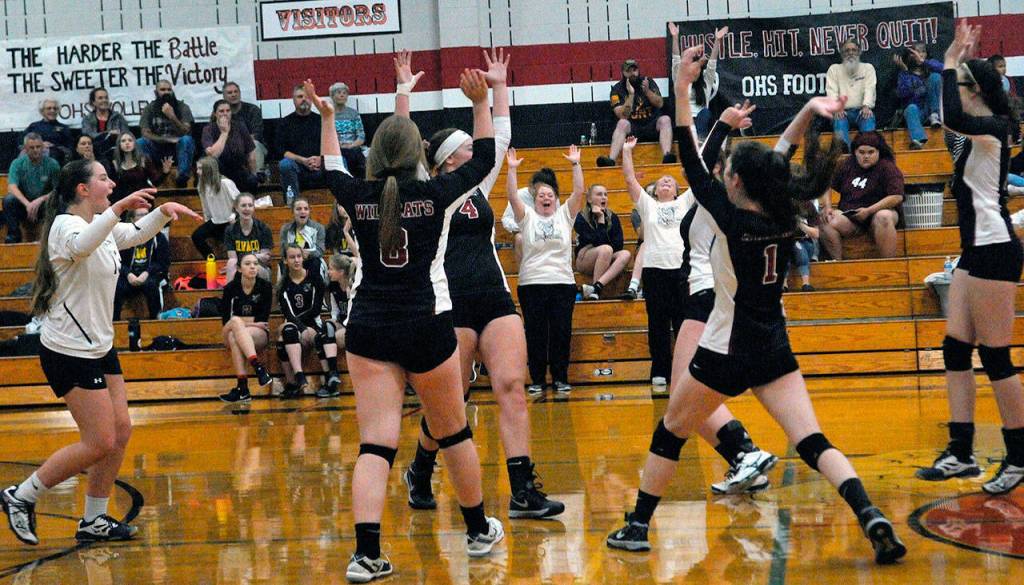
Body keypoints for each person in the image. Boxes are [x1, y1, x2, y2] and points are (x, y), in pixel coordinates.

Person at [606, 44, 907, 566]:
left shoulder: (729, 217)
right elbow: (779, 155)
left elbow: (688, 151)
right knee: (812, 441)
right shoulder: (782, 210)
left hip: (724, 347)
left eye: (728, 171)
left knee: (671, 431)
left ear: (735, 181)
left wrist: (682, 86)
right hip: (772, 344)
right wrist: (809, 109)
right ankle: (868, 512)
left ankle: (636, 526)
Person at [308, 67, 505, 580]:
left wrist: (327, 119)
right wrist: (480, 103)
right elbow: (485, 158)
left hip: (368, 328)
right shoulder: (438, 195)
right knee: (454, 432)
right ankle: (478, 530)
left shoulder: (358, 196)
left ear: (374, 155)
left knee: (376, 445)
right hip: (426, 325)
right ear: (420, 154)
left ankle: (365, 555)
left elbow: (332, 168)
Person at [399, 48, 565, 519]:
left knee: (512, 384)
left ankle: (522, 490)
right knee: (450, 404)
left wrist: (498, 86)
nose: (477, 150)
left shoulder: (477, 184)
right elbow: (405, 147)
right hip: (450, 303)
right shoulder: (429, 189)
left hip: (494, 296)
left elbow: (501, 137)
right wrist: (404, 92)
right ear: (449, 158)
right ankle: (421, 468)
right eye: (468, 148)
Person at [1, 159, 197, 547]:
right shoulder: (65, 227)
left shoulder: (101, 225)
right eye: (103, 178)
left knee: (120, 430)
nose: (111, 184)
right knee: (99, 441)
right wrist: (119, 207)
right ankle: (21, 496)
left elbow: (132, 234)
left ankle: (93, 519)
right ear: (83, 189)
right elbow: (83, 245)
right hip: (69, 350)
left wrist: (162, 213)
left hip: (99, 346)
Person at [916, 23, 1024, 496]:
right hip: (974, 251)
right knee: (956, 348)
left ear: (974, 91)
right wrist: (953, 61)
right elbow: (951, 121)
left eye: (961, 84)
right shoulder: (973, 135)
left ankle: (1019, 457)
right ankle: (961, 451)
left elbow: (953, 115)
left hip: (995, 250)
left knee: (996, 356)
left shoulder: (993, 129)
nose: (954, 90)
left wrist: (950, 61)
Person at [508, 145, 584, 394]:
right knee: (535, 334)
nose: (545, 197)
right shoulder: (527, 217)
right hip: (532, 284)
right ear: (535, 199)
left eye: (549, 194)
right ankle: (538, 380)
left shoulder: (565, 215)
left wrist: (575, 164)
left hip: (562, 283)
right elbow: (512, 197)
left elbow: (579, 191)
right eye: (541, 195)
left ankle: (561, 378)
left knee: (562, 333)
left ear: (555, 198)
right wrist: (512, 170)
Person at [622, 137, 686, 387]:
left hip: (681, 271)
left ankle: (683, 370)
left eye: (670, 181)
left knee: (682, 324)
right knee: (657, 324)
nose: (666, 182)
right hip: (654, 271)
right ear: (655, 191)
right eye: (661, 182)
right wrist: (627, 151)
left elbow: (701, 180)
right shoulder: (648, 205)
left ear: (677, 190)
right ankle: (659, 368)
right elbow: (630, 180)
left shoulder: (685, 202)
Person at [818, 131, 904, 260]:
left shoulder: (888, 167)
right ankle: (837, 263)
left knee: (884, 216)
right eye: (861, 152)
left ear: (878, 152)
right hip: (851, 217)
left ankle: (888, 263)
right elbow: (826, 183)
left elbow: (897, 196)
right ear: (855, 152)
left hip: (878, 214)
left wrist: (869, 211)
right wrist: (828, 206)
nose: (866, 156)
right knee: (826, 218)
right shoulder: (847, 164)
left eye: (871, 152)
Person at [276, 243, 339, 399]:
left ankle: (330, 380)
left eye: (299, 256)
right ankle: (295, 381)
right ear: (285, 261)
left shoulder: (315, 278)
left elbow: (316, 309)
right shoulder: (283, 285)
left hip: (313, 324)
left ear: (303, 258)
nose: (296, 260)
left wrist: (305, 328)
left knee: (317, 333)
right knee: (287, 332)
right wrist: (301, 328)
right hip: (295, 326)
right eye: (292, 257)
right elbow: (288, 313)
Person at [597, 59, 676, 167]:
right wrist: (631, 95)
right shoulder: (617, 89)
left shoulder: (648, 82)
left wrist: (647, 91)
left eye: (634, 70)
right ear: (623, 73)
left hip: (651, 124)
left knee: (665, 119)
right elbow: (622, 115)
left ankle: (667, 156)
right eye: (628, 71)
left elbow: (660, 103)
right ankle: (611, 160)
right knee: (622, 123)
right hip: (633, 128)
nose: (632, 73)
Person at [217, 252, 274, 403]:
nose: (253, 267)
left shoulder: (265, 287)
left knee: (235, 335)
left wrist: (240, 323)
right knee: (235, 323)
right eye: (248, 264)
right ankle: (258, 368)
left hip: (258, 334)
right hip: (229, 329)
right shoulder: (230, 288)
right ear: (239, 268)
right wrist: (247, 323)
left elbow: (262, 319)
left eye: (255, 263)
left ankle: (243, 388)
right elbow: (226, 321)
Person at [668, 22, 726, 141]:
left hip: (701, 121)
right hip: (684, 120)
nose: (694, 71)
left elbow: (712, 63)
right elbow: (676, 60)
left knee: (705, 113)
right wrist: (675, 37)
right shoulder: (680, 81)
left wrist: (717, 41)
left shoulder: (706, 82)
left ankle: (700, 140)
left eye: (697, 68)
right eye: (691, 68)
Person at [574, 184, 631, 300]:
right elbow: (596, 241)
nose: (604, 197)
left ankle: (596, 287)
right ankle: (595, 292)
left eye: (605, 194)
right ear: (589, 199)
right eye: (599, 194)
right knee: (606, 249)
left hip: (605, 256)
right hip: (584, 260)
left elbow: (618, 244)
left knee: (625, 254)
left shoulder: (612, 217)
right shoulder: (581, 217)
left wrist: (596, 245)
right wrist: (600, 220)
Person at [113, 208, 170, 320]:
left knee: (152, 285)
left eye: (147, 214)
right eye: (141, 215)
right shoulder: (124, 237)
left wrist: (147, 273)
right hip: (129, 275)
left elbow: (163, 263)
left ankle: (156, 320)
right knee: (117, 286)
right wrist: (128, 274)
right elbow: (117, 261)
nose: (145, 217)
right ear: (132, 219)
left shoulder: (159, 237)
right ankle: (115, 322)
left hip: (151, 275)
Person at [137, 80, 195, 188]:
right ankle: (152, 177)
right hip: (158, 150)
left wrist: (172, 117)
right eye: (163, 90)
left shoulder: (182, 107)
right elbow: (145, 133)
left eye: (169, 89)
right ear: (156, 92)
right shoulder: (149, 109)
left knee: (187, 140)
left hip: (178, 151)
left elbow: (187, 131)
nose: (166, 92)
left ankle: (182, 177)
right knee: (140, 142)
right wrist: (167, 139)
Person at [4, 133, 61, 243]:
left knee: (59, 200)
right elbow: (12, 187)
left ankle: (53, 236)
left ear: (43, 147)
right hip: (24, 205)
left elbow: (58, 189)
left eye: (38, 147)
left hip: (43, 205)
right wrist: (28, 204)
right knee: (8, 200)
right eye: (32, 147)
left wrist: (40, 200)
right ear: (25, 149)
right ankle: (14, 237)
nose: (36, 150)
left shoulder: (52, 164)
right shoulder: (17, 164)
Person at [500, 167, 559, 266]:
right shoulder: (519, 195)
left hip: (546, 232)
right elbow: (506, 219)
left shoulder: (552, 197)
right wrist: (524, 227)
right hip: (524, 233)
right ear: (532, 185)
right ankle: (523, 272)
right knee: (519, 238)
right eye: (538, 190)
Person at [826, 38, 877, 147]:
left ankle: (867, 147)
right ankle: (844, 149)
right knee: (839, 119)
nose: (850, 53)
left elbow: (870, 89)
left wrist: (866, 106)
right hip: (842, 112)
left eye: (854, 50)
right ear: (842, 53)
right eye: (847, 50)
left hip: (862, 111)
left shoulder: (868, 68)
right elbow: (831, 91)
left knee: (868, 117)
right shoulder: (834, 69)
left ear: (859, 52)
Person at [277, 84, 323, 203]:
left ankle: (342, 205)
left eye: (307, 96)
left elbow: (333, 147)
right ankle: (294, 204)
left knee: (341, 161)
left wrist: (321, 159)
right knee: (285, 164)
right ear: (293, 100)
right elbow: (282, 151)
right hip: (297, 167)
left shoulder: (322, 121)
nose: (304, 99)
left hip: (321, 165)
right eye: (300, 96)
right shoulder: (284, 123)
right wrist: (303, 161)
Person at [202, 99, 258, 193]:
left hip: (238, 169)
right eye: (221, 111)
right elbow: (213, 155)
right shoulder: (208, 129)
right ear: (215, 114)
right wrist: (224, 133)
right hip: (219, 173)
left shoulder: (240, 126)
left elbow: (251, 153)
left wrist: (253, 174)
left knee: (252, 180)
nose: (225, 114)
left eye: (228, 111)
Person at [894, 45, 943, 149]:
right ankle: (918, 140)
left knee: (935, 76)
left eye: (923, 52)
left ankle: (934, 115)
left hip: (934, 111)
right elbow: (902, 94)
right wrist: (905, 71)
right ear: (909, 55)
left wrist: (923, 61)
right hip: (918, 113)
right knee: (911, 108)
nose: (919, 54)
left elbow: (946, 70)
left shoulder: (931, 66)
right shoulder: (904, 74)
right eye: (915, 52)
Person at [191, 157, 240, 258]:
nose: (197, 172)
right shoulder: (201, 186)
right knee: (197, 236)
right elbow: (205, 206)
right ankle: (211, 260)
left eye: (200, 168)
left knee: (232, 243)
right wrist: (207, 221)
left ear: (208, 169)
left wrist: (234, 215)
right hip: (215, 221)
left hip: (230, 220)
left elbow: (239, 201)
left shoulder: (225, 183)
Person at [110, 132, 171, 205]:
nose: (127, 143)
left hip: (144, 200)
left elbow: (155, 182)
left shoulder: (144, 160)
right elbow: (115, 189)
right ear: (119, 145)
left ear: (134, 143)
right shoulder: (115, 164)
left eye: (130, 140)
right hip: (126, 202)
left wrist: (165, 172)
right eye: (123, 141)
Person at [224, 193, 274, 281]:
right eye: (243, 205)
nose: (247, 208)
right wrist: (255, 256)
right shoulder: (230, 230)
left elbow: (265, 258)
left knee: (255, 268)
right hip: (239, 266)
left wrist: (247, 258)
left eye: (250, 205)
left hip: (259, 266)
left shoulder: (263, 228)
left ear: (253, 208)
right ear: (237, 208)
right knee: (230, 264)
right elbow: (233, 258)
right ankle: (230, 289)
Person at [223, 81, 268, 173]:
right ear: (224, 96)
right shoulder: (221, 113)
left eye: (236, 92)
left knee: (254, 145)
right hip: (229, 147)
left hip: (253, 146)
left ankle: (256, 178)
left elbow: (257, 134)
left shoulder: (253, 110)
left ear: (240, 93)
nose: (233, 95)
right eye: (230, 93)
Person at [81, 88, 131, 161]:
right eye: (100, 98)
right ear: (93, 102)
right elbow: (88, 136)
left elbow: (126, 134)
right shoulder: (87, 119)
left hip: (116, 151)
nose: (104, 100)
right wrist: (108, 134)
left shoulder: (118, 117)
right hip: (95, 152)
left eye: (106, 98)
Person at [330, 82, 367, 179]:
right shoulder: (328, 114)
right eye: (338, 92)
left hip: (353, 147)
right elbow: (327, 137)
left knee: (355, 154)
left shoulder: (353, 113)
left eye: (344, 93)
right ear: (332, 96)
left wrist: (351, 145)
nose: (342, 95)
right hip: (336, 149)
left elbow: (361, 136)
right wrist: (339, 146)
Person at [279, 198, 327, 272]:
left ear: (309, 212)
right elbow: (283, 251)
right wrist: (296, 254)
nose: (303, 212)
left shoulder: (318, 228)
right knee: (283, 263)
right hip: (292, 261)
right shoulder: (285, 229)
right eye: (298, 209)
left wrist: (308, 253)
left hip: (311, 261)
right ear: (292, 212)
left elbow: (320, 250)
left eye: (306, 209)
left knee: (315, 263)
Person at [22, 98, 73, 165]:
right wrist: (40, 145)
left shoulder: (64, 128)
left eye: (55, 108)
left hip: (56, 159)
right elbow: (21, 143)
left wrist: (53, 147)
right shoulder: (34, 126)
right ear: (42, 111)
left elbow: (70, 148)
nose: (52, 110)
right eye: (49, 108)